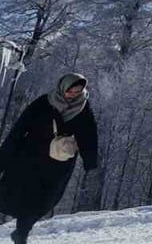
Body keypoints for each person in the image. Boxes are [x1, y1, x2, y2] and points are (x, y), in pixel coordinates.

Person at [0, 74, 101, 244]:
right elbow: (20, 127)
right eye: (71, 91)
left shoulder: (83, 108)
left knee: (42, 202)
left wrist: (90, 160)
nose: (74, 95)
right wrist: (4, 156)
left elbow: (89, 135)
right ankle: (21, 235)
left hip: (58, 165)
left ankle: (21, 233)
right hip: (29, 158)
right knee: (14, 193)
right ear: (63, 87)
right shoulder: (44, 103)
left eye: (78, 92)